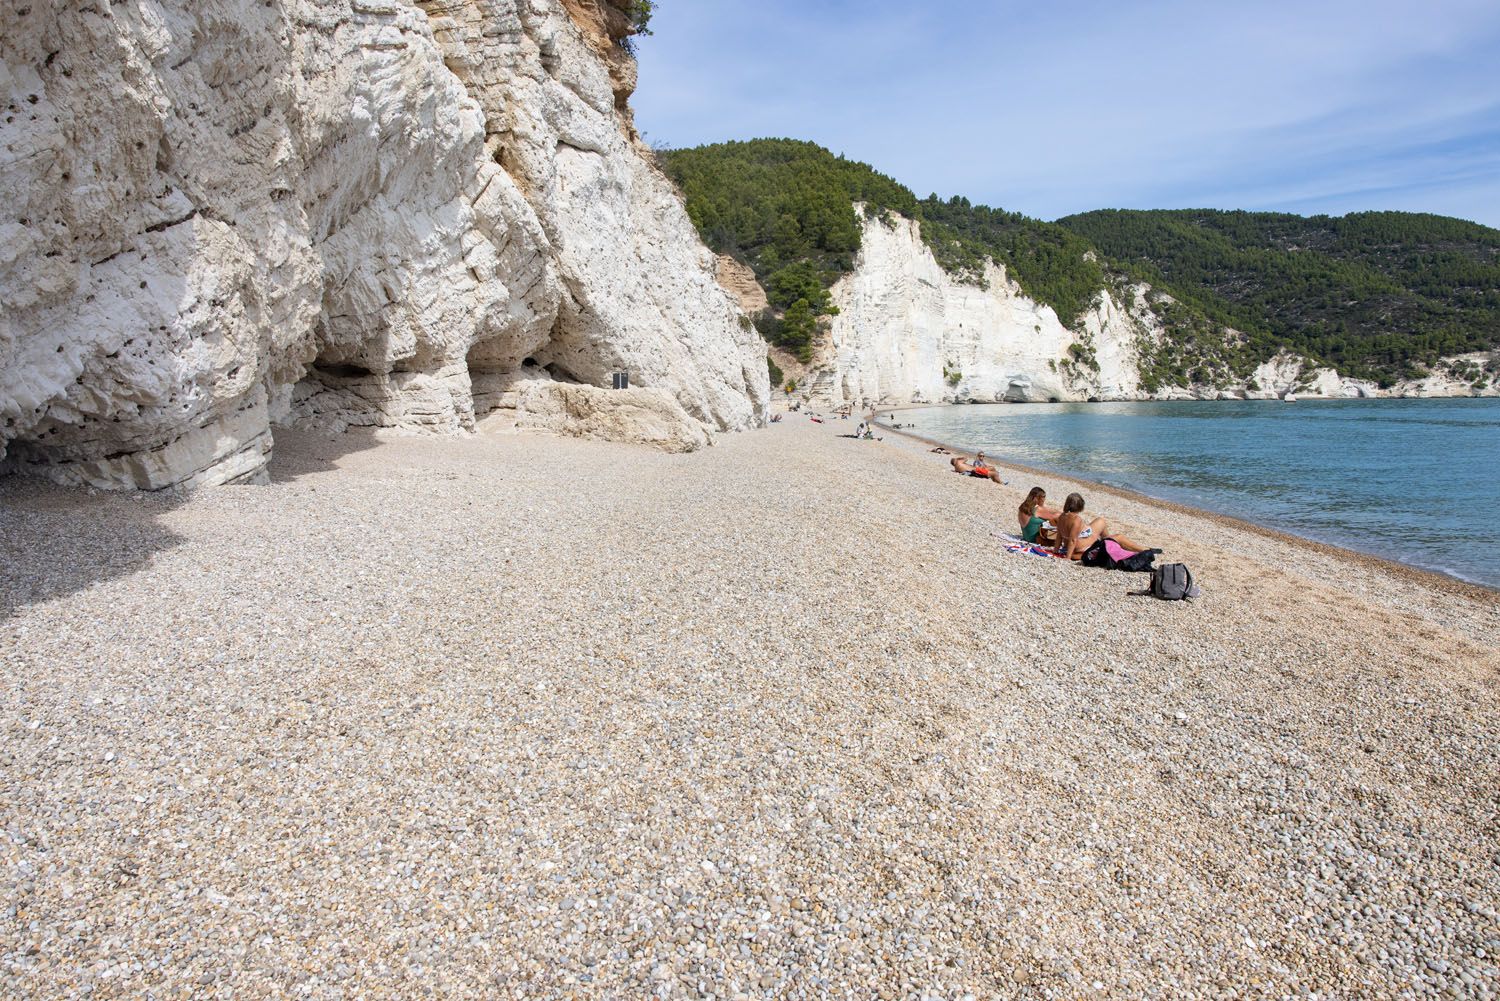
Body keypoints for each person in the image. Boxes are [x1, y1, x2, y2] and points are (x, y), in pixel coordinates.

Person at [1053, 492, 1150, 561]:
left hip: (1074, 545)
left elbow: (1059, 536)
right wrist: (1068, 558)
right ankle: (1144, 550)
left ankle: (1109, 543)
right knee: (1119, 537)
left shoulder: (1061, 516)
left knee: (1100, 521)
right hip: (1081, 547)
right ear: (1080, 505)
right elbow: (1073, 540)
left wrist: (1056, 550)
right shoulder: (1076, 520)